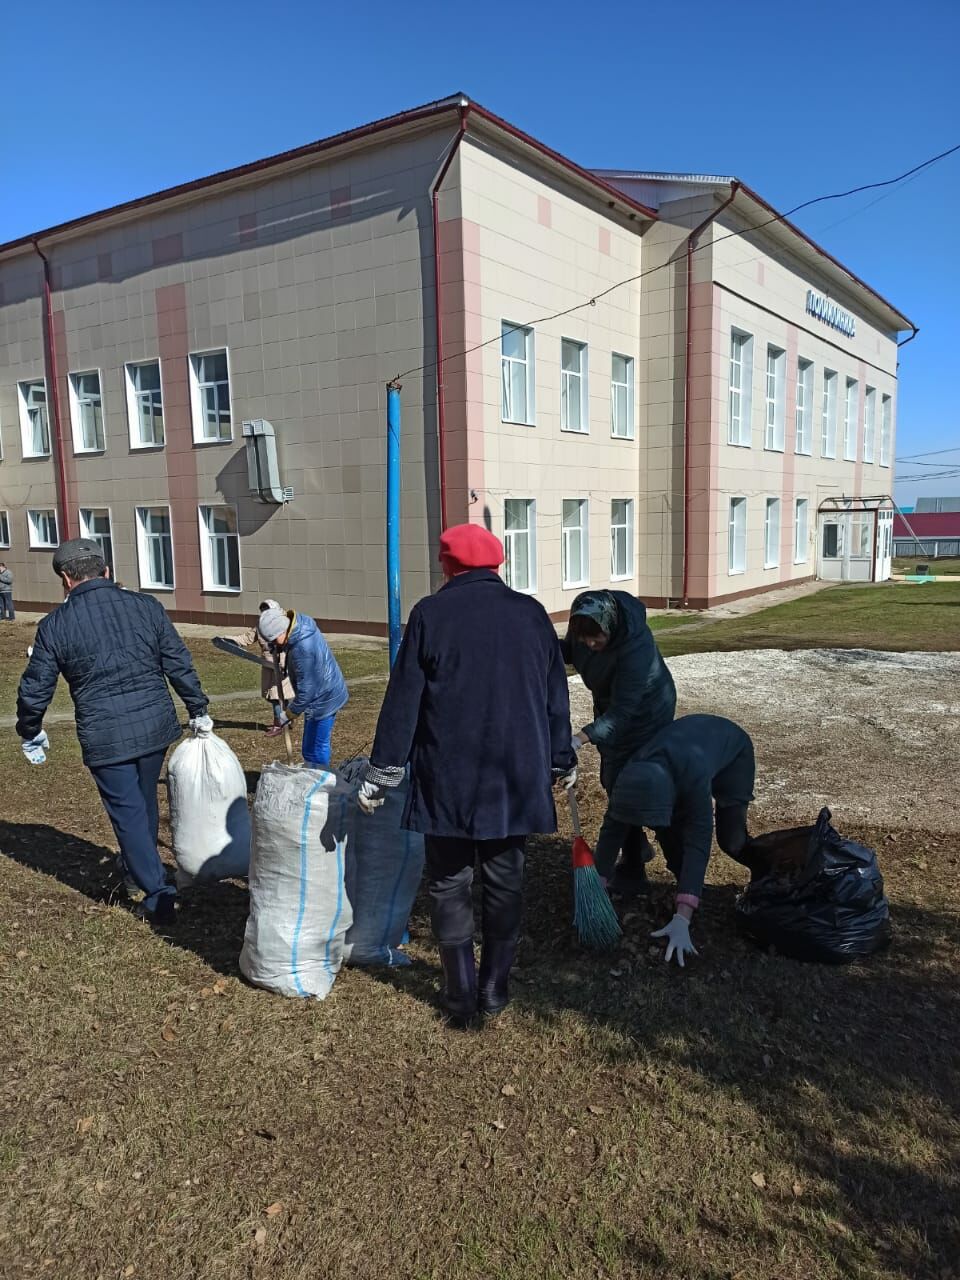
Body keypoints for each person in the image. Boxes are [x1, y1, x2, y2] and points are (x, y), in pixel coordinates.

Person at [357, 523, 577, 1027]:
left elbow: (403, 701)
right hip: (514, 777)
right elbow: (554, 697)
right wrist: (560, 756)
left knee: (449, 883)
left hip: (448, 776)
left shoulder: (431, 614)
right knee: (505, 882)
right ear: (497, 564)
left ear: (448, 564)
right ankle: (494, 988)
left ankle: (460, 995)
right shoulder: (532, 614)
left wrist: (385, 769)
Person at [15, 538, 211, 926]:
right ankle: (139, 868)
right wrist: (197, 707)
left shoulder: (54, 626)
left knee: (129, 814)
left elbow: (36, 687)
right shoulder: (147, 606)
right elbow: (176, 660)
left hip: (105, 736)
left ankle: (157, 893)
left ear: (67, 580)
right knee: (142, 804)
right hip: (154, 726)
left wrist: (29, 728)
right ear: (106, 572)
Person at [595, 714, 758, 967]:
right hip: (686, 755)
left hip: (732, 751)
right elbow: (611, 831)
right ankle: (689, 891)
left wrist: (683, 919)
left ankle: (767, 874)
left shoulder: (692, 776)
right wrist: (596, 884)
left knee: (732, 840)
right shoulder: (628, 781)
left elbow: (699, 838)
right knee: (670, 836)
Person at [561, 590, 676, 897]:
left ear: (610, 626)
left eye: (595, 638)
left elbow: (623, 713)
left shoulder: (635, 649)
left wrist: (578, 739)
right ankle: (636, 847)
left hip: (645, 718)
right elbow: (568, 651)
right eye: (583, 638)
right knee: (613, 782)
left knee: (630, 787)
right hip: (610, 711)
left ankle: (639, 869)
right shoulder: (586, 628)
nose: (589, 645)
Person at [256, 606, 348, 766]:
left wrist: (289, 714)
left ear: (281, 630)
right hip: (323, 690)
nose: (272, 643)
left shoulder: (302, 648)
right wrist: (279, 648)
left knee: (315, 749)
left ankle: (320, 781)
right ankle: (315, 775)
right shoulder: (300, 627)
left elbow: (307, 691)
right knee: (310, 748)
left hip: (324, 698)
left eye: (272, 639)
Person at [224, 599, 294, 735]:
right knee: (273, 696)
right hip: (268, 665)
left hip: (282, 664)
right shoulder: (260, 625)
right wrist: (228, 639)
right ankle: (288, 717)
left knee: (277, 696)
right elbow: (247, 638)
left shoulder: (284, 624)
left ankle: (279, 724)